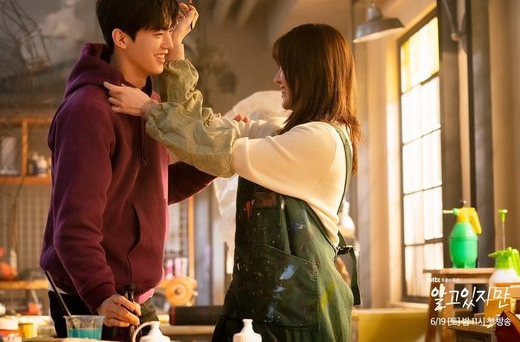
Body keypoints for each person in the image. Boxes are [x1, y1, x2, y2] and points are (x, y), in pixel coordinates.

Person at [105, 23, 361, 341]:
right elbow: (203, 130)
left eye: (284, 68)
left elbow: (217, 150)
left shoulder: (319, 140)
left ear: (310, 73)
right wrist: (177, 49)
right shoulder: (287, 132)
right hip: (264, 309)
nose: (277, 78)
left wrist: (149, 109)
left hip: (299, 319)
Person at [39, 0, 212, 340]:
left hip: (136, 298)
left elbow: (150, 191)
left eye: (171, 33)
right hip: (93, 301)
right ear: (121, 38)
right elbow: (74, 223)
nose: (170, 45)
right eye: (159, 33)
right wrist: (100, 294)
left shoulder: (146, 105)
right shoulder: (88, 110)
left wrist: (211, 162)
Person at [39, 0, 86, 67]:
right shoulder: (52, 19)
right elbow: (42, 47)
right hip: (54, 66)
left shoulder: (80, 25)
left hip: (72, 66)